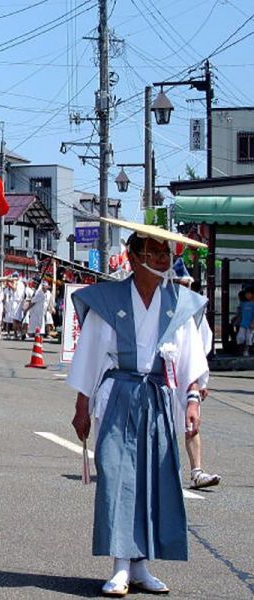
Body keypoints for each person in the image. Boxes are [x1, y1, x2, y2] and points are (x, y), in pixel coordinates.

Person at [68, 223, 209, 597]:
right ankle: (119, 565)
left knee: (155, 478)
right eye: (155, 252)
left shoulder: (180, 303)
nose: (163, 259)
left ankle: (143, 565)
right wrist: (82, 405)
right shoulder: (108, 300)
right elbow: (90, 354)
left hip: (159, 396)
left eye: (167, 253)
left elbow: (192, 358)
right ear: (134, 256)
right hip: (118, 395)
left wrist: (192, 399)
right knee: (115, 475)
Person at [172, 259, 221, 490]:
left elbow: (202, 345)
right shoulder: (156, 305)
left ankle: (196, 471)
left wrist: (202, 380)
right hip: (160, 375)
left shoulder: (195, 308)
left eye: (185, 284)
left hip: (187, 375)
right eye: (178, 283)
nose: (183, 288)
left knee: (191, 424)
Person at [235, 285, 254, 356]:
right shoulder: (243, 303)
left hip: (250, 324)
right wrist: (237, 320)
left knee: (249, 338)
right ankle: (241, 350)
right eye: (246, 294)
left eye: (249, 294)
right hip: (243, 324)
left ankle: (246, 350)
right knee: (240, 337)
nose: (247, 295)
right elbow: (240, 313)